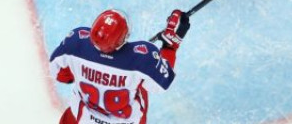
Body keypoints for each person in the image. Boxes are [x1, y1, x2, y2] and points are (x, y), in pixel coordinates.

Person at [49, 9, 190, 124]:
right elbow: (162, 82)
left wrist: (81, 72)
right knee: (140, 81)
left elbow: (60, 75)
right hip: (126, 121)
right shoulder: (141, 58)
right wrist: (170, 46)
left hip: (80, 119)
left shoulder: (76, 42)